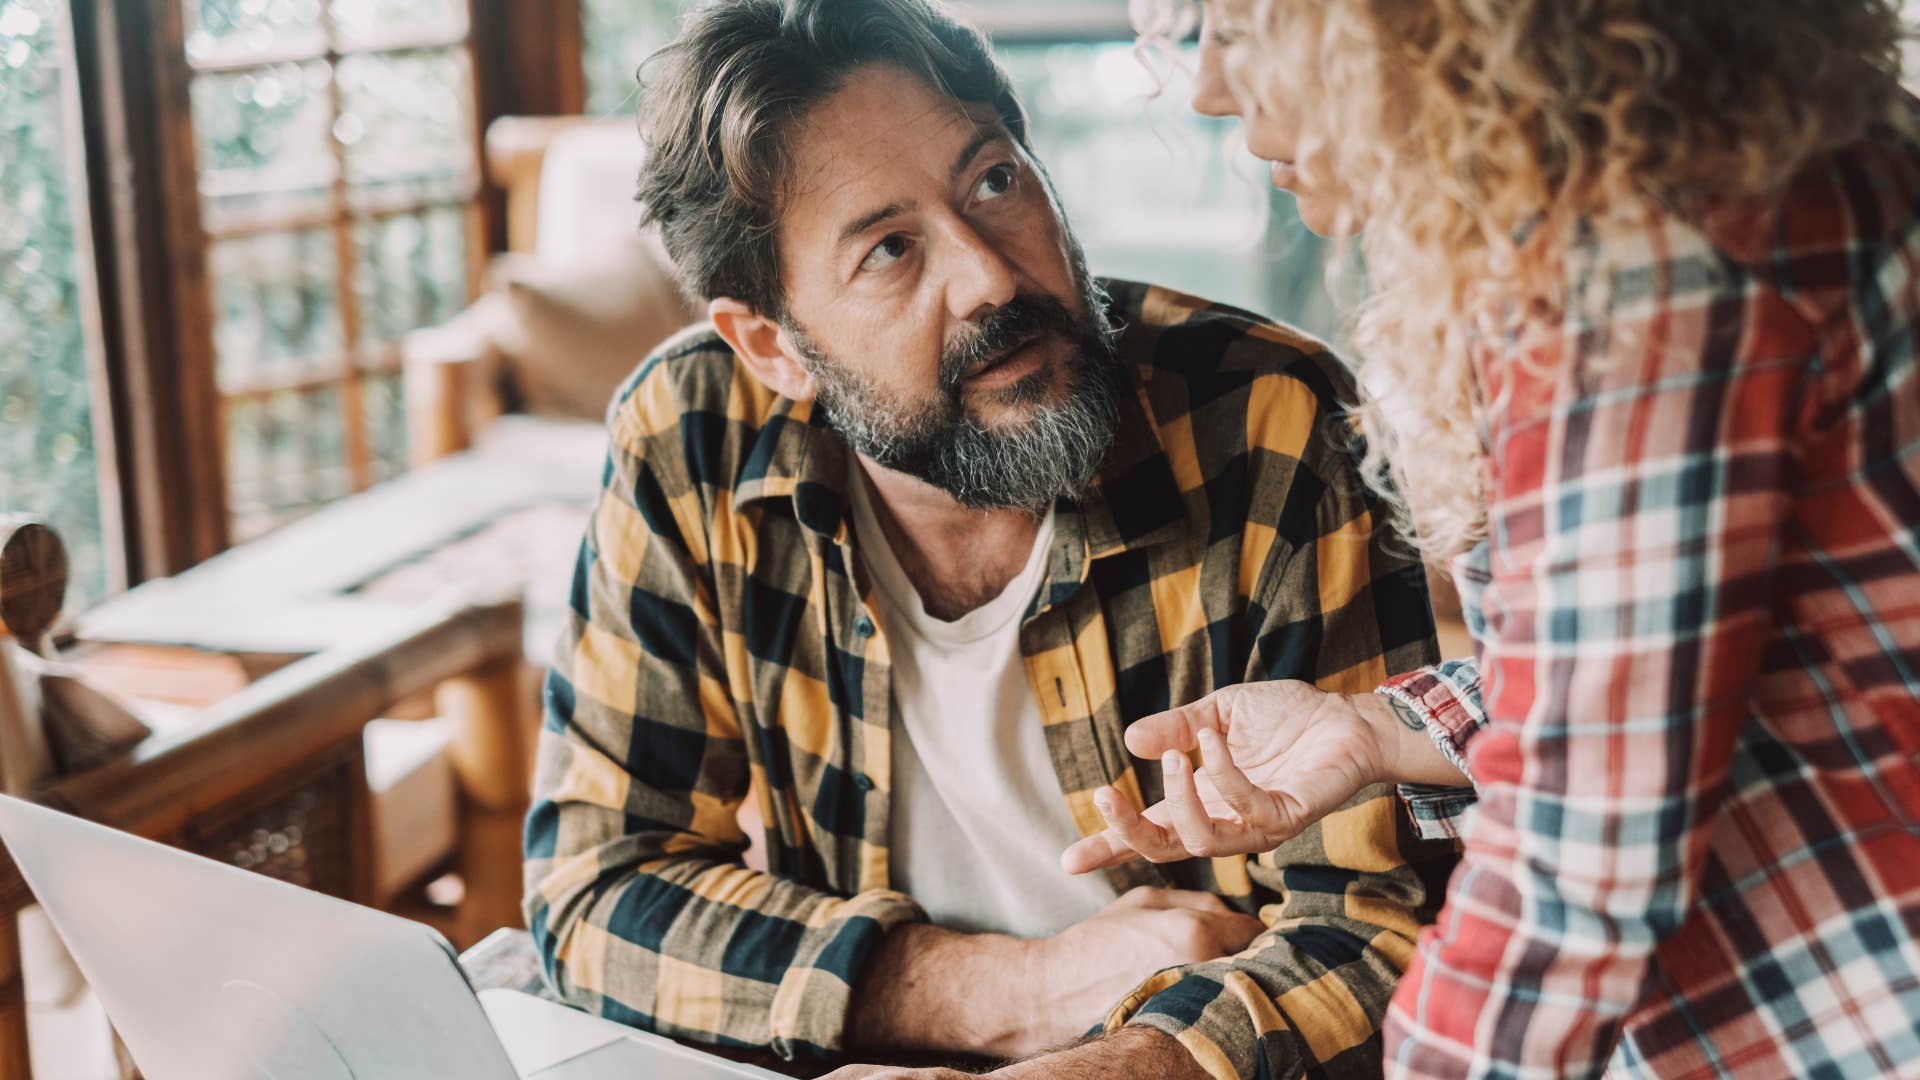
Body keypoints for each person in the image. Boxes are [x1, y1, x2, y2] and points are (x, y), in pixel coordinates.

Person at [522, 2, 1456, 1078]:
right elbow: (594, 889)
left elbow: (1377, 929)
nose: (992, 278)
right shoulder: (691, 435)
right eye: (889, 249)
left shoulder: (1270, 418)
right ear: (773, 347)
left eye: (996, 182)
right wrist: (1013, 992)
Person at [1064, 1, 1920, 1076]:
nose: (1207, 90)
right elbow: (1689, 679)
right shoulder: (1746, 166)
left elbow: (1578, 861)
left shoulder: (1642, 270)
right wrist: (1375, 728)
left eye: (1242, 31)